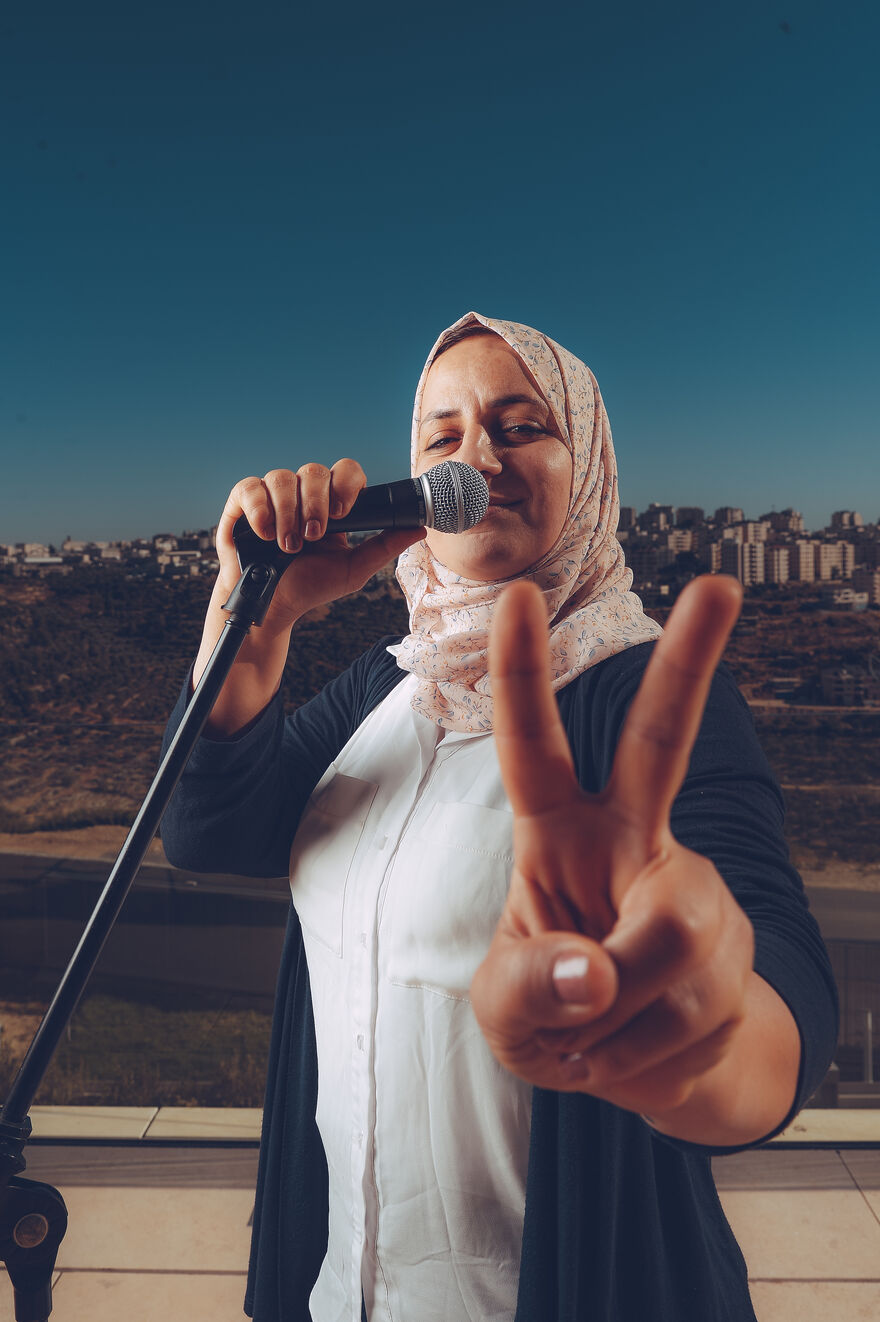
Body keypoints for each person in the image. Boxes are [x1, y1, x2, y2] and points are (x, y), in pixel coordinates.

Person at [160, 312, 839, 1322]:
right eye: (442, 437)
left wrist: (701, 1037)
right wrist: (253, 618)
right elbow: (212, 830)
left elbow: (774, 971)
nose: (476, 460)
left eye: (521, 428)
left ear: (590, 465)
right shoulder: (387, 683)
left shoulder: (644, 695)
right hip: (344, 1292)